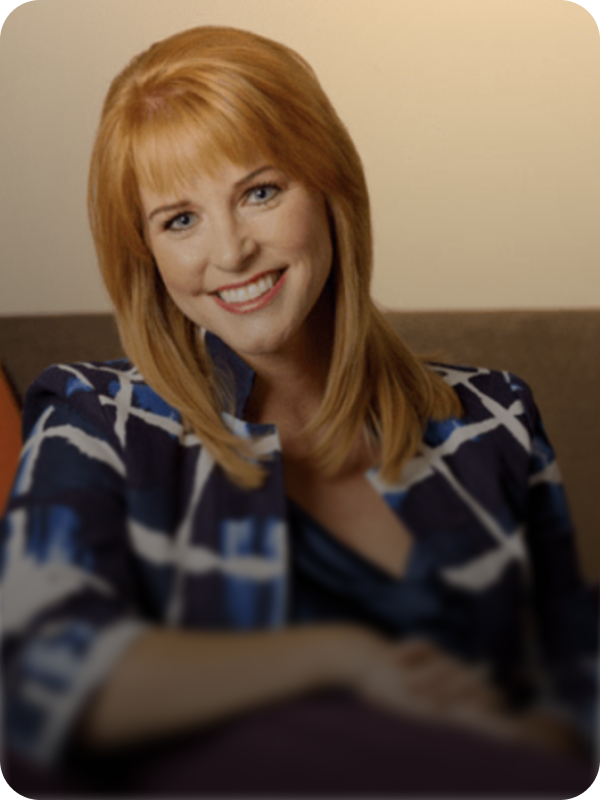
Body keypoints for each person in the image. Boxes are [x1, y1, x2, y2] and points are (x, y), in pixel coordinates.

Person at [1, 25, 600, 769]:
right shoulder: (94, 418)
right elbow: (37, 681)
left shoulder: (496, 416)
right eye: (180, 219)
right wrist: (336, 657)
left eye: (259, 192)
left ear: (328, 186)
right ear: (145, 253)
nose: (230, 251)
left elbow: (576, 690)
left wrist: (523, 749)